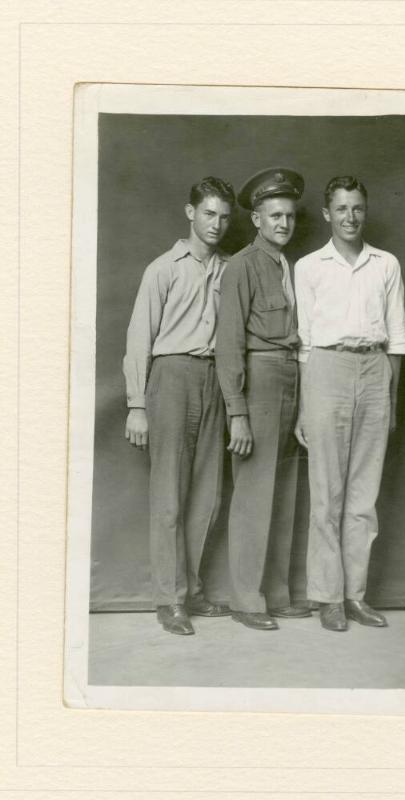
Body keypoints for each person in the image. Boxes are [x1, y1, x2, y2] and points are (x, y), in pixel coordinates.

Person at [294, 175, 405, 632]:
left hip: (375, 370)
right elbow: (303, 343)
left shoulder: (386, 264)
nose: (350, 217)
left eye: (357, 208)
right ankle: (327, 597)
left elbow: (397, 339)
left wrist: (391, 398)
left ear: (366, 211)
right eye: (341, 209)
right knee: (327, 494)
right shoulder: (309, 267)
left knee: (363, 497)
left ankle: (354, 596)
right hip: (326, 370)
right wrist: (306, 405)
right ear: (327, 214)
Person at [123, 176, 236, 636]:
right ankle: (169, 600)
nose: (216, 224)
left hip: (215, 380)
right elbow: (138, 339)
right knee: (169, 495)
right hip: (170, 377)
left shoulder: (231, 269)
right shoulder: (163, 269)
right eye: (209, 214)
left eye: (225, 217)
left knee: (206, 497)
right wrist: (136, 404)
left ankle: (191, 590)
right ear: (191, 212)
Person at [215, 167, 311, 631]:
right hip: (258, 381)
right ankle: (246, 599)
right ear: (256, 219)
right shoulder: (242, 265)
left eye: (289, 216)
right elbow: (229, 343)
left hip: (291, 377)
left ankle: (277, 593)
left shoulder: (286, 265)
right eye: (274, 216)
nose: (284, 224)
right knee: (254, 493)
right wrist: (237, 413)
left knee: (286, 491)